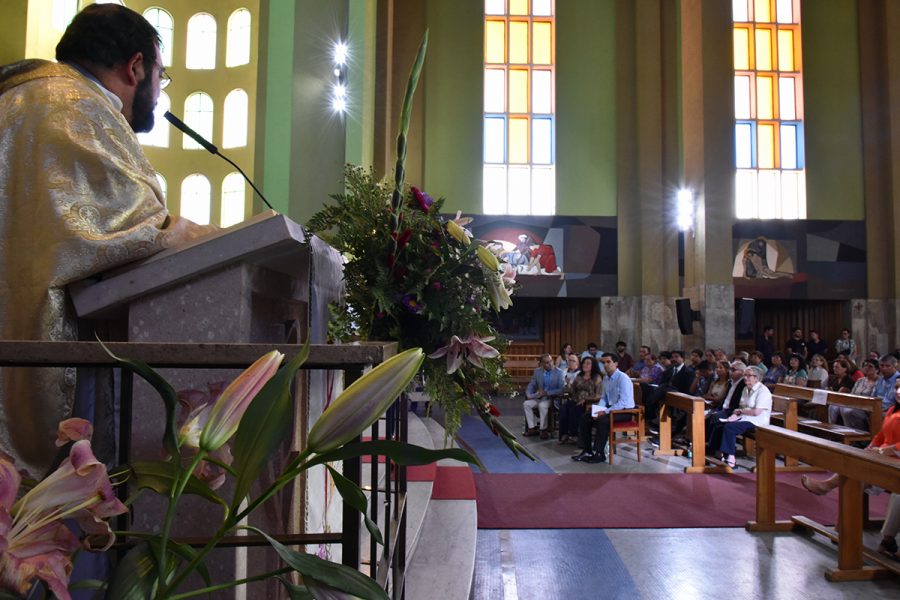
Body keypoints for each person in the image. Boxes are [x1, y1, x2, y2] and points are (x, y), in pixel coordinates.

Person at [0, 4, 215, 475]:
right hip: (52, 364)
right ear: (135, 67)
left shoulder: (14, 101)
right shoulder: (78, 111)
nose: (160, 93)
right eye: (163, 75)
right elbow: (134, 235)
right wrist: (215, 237)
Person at [802, 379, 900, 560]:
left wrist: (885, 450)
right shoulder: (893, 410)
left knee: (860, 474)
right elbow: (881, 435)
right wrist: (871, 446)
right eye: (896, 388)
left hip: (894, 459)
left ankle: (828, 491)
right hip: (882, 457)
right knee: (855, 470)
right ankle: (843, 529)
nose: (899, 392)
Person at [572, 353, 634, 463]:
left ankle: (599, 453)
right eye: (603, 362)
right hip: (610, 408)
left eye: (608, 362)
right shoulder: (605, 378)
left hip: (624, 410)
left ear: (616, 363)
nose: (605, 365)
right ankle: (587, 450)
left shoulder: (623, 378)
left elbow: (623, 402)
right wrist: (598, 410)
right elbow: (604, 398)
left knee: (602, 420)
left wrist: (604, 411)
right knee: (585, 417)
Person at [706, 365, 772, 468]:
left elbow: (756, 412)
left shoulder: (763, 391)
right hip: (743, 417)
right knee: (720, 423)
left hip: (757, 421)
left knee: (730, 427)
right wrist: (733, 416)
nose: (745, 377)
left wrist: (741, 412)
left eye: (749, 375)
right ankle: (716, 452)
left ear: (757, 377)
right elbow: (741, 407)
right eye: (745, 375)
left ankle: (731, 457)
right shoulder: (745, 389)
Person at [559, 356, 602, 444]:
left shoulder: (596, 377)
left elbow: (598, 395)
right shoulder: (579, 376)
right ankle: (564, 434)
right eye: (584, 363)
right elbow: (572, 391)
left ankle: (574, 435)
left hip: (589, 403)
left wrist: (586, 399)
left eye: (588, 363)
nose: (585, 365)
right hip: (575, 399)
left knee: (574, 410)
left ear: (593, 365)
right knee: (564, 408)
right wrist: (568, 384)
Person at [522, 353, 565, 439]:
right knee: (526, 404)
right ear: (542, 364)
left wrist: (546, 393)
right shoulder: (537, 371)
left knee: (542, 405)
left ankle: (543, 429)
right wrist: (529, 394)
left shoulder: (559, 372)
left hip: (552, 399)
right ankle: (532, 428)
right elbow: (532, 385)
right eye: (547, 362)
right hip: (539, 397)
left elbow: (561, 389)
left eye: (551, 361)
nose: (550, 364)